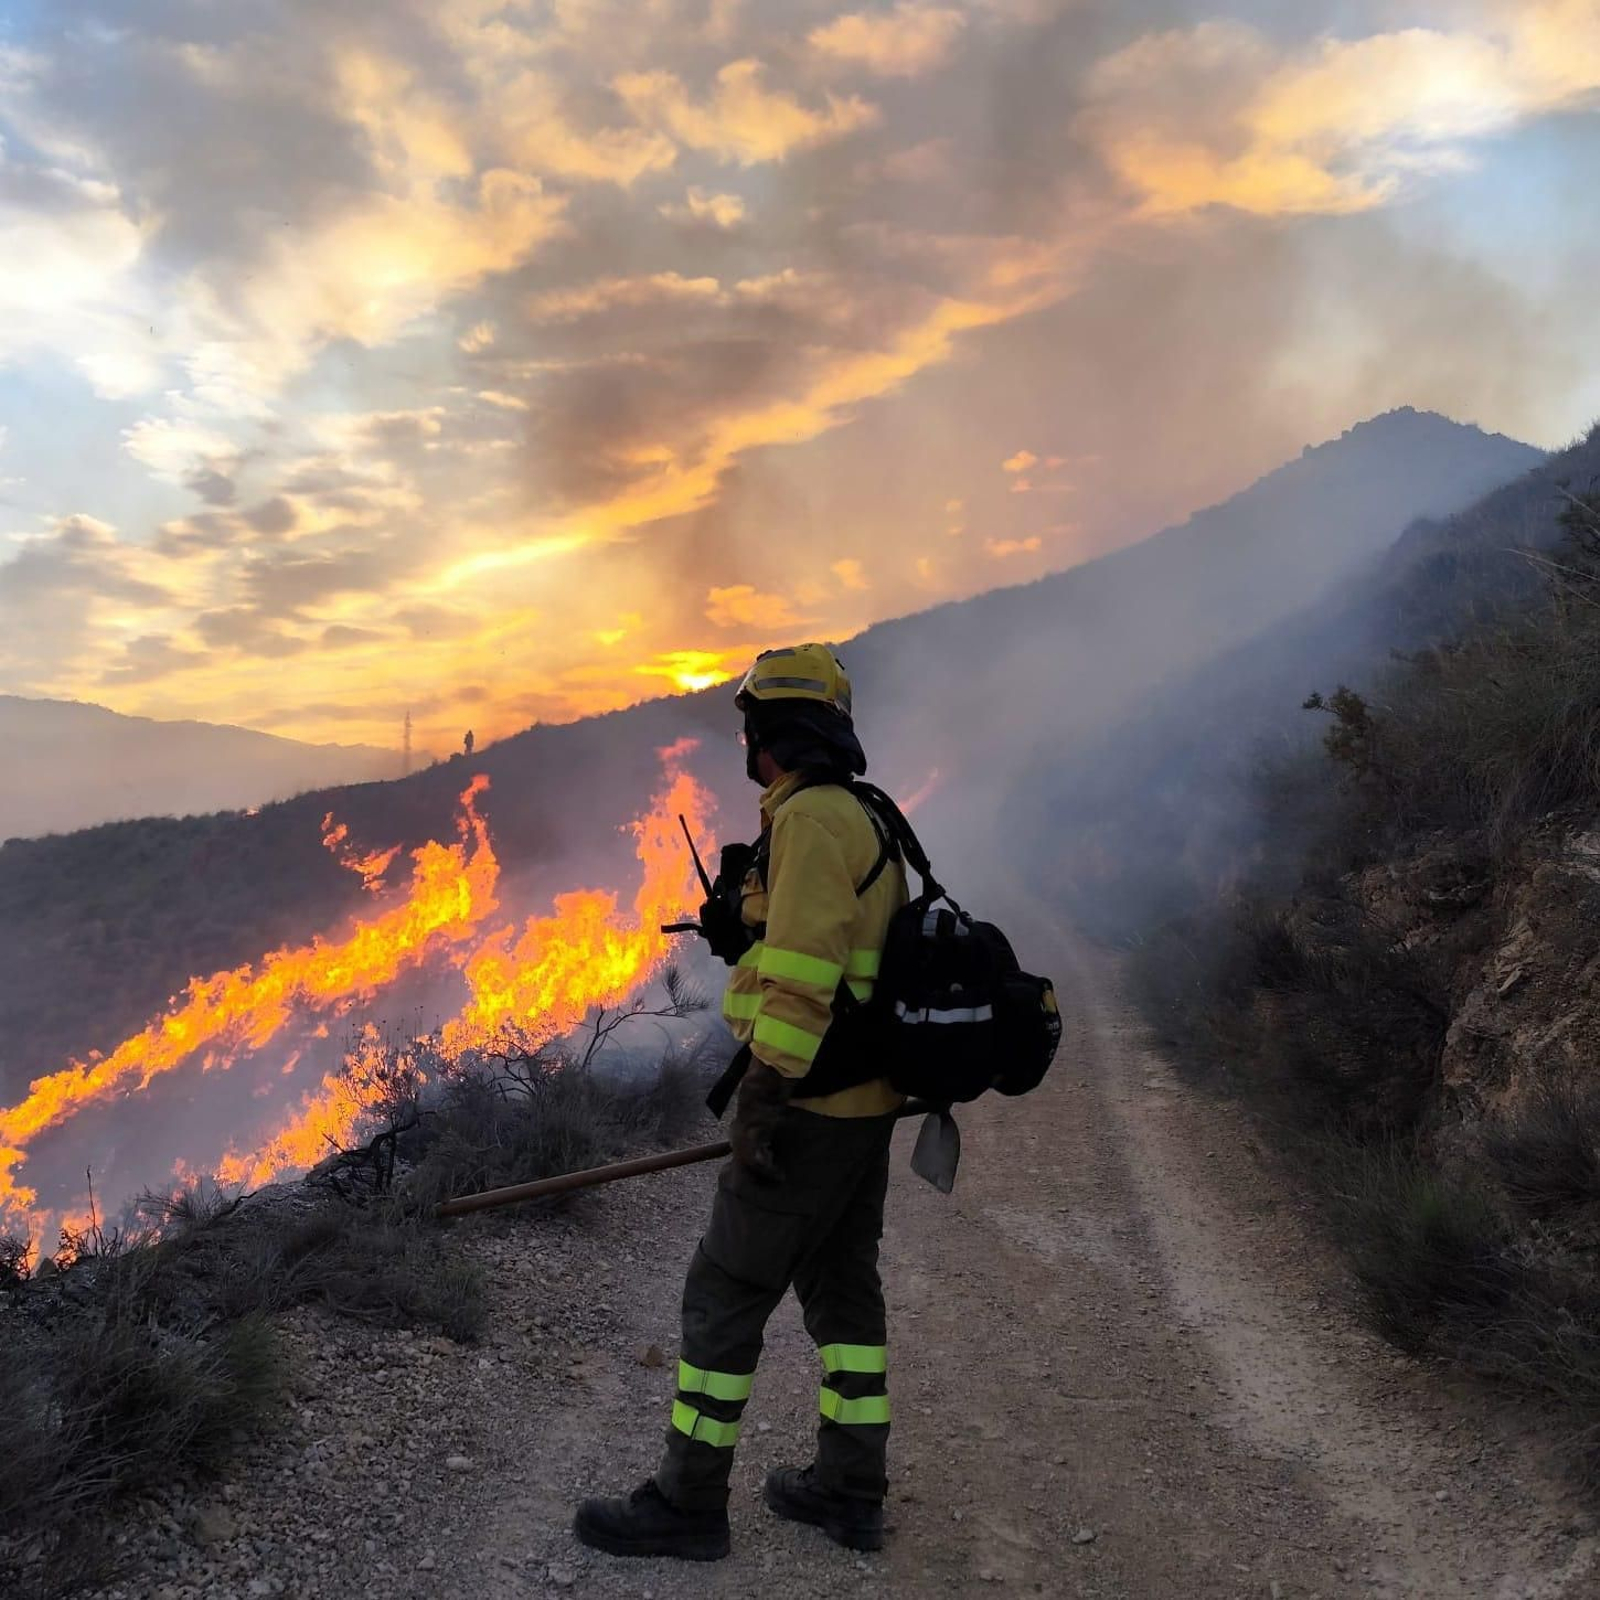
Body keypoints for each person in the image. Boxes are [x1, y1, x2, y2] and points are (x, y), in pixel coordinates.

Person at [574, 643, 908, 1563]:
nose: (746, 745)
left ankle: (687, 1502)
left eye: (751, 728)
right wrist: (744, 925)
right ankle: (851, 1488)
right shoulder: (863, 815)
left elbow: (803, 980)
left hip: (808, 1106)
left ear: (774, 732)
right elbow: (830, 945)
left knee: (724, 1293)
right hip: (865, 1105)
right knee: (844, 1292)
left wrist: (760, 1097)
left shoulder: (809, 821)